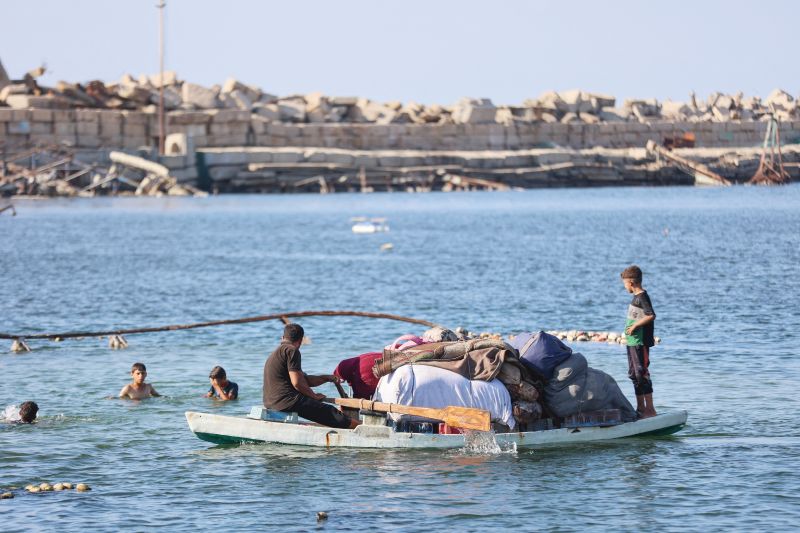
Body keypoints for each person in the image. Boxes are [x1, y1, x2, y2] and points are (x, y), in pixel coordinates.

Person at [263, 323, 358, 429]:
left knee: (322, 409)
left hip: (270, 402)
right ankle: (360, 427)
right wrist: (314, 396)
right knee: (330, 411)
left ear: (283, 337)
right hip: (287, 401)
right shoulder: (292, 350)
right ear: (300, 341)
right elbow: (297, 383)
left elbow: (304, 380)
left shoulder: (275, 353)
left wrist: (328, 378)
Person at [621, 265, 657, 418]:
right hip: (631, 342)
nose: (624, 287)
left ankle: (650, 410)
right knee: (634, 375)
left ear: (631, 283)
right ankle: (641, 409)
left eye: (624, 284)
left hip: (640, 342)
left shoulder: (642, 296)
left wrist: (635, 325)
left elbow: (650, 315)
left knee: (642, 373)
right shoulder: (635, 298)